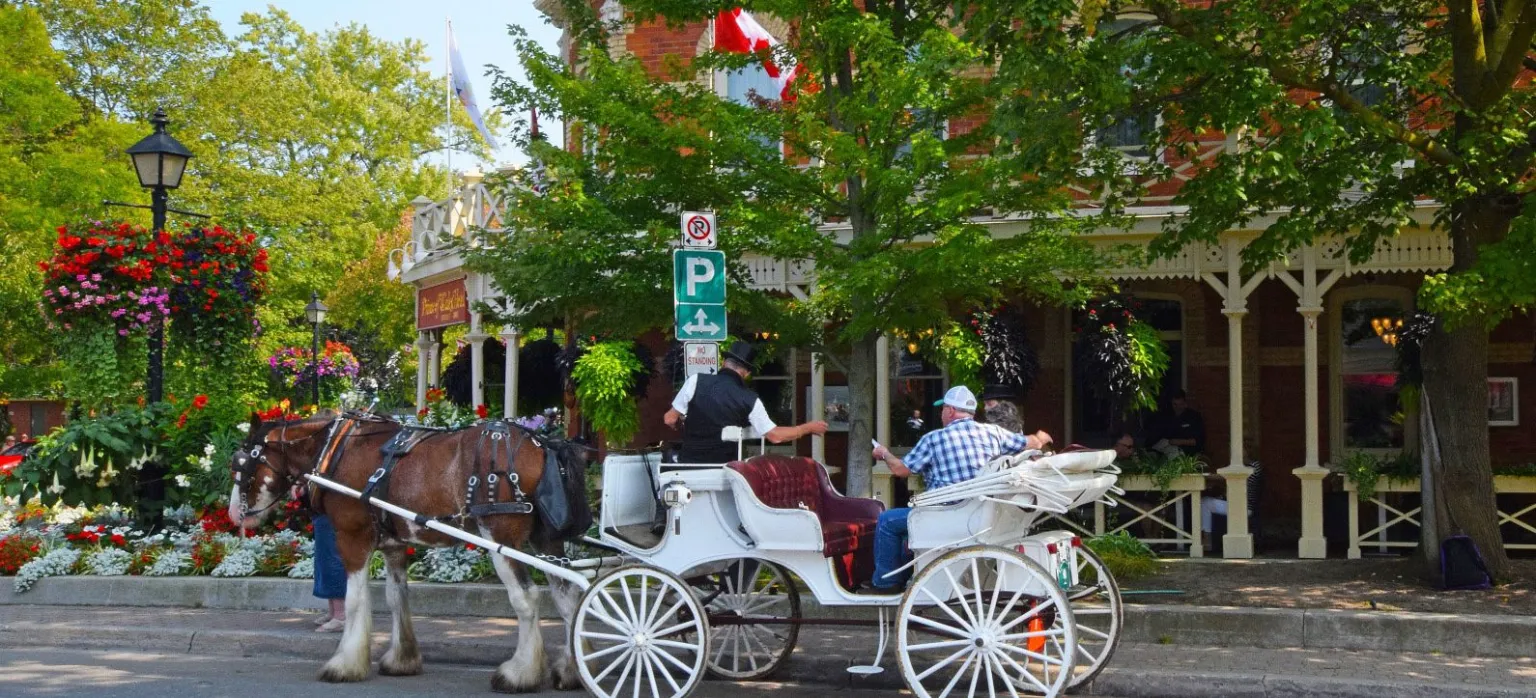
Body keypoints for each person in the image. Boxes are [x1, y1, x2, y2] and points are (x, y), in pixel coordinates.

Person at [868, 386, 1050, 592]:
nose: (941, 413)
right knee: (903, 526)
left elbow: (900, 470)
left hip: (944, 516)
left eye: (943, 408)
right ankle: (906, 573)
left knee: (887, 521)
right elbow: (1032, 442)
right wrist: (1041, 437)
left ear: (951, 411)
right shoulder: (995, 433)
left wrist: (884, 453)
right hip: (982, 515)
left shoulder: (934, 439)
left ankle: (886, 583)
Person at [665, 341, 828, 463]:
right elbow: (775, 436)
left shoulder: (696, 381)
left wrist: (679, 420)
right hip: (724, 468)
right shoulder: (749, 399)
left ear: (723, 363)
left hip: (690, 465)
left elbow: (669, 418)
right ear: (747, 373)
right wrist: (807, 428)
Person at [1150, 389, 1205, 457]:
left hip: (1187, 453)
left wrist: (1179, 441)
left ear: (1185, 403)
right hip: (1166, 449)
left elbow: (1198, 441)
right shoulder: (1167, 415)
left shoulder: (1194, 416)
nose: (1178, 407)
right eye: (1175, 404)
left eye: (1181, 404)